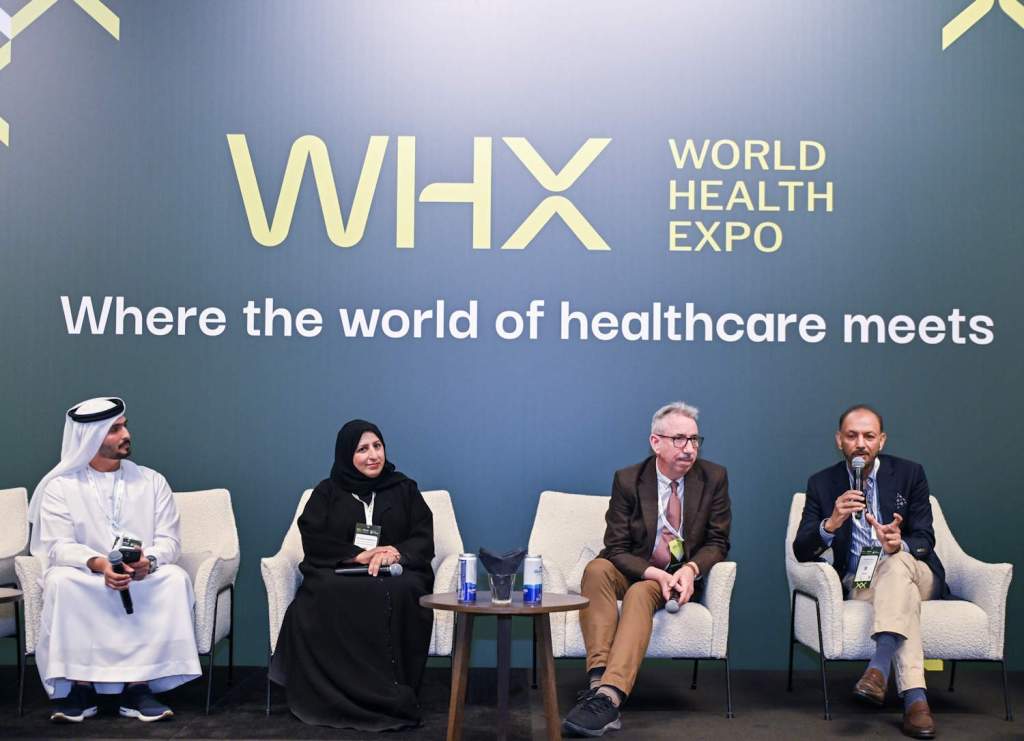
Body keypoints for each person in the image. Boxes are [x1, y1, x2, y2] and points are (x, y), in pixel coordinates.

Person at [562, 402, 732, 737]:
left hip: (677, 577)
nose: (689, 448)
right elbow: (615, 548)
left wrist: (691, 569)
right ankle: (598, 684)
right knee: (596, 569)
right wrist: (654, 572)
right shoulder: (629, 480)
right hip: (638, 569)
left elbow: (718, 541)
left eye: (695, 440)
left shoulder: (714, 477)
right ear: (656, 442)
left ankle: (610, 696)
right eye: (679, 439)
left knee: (641, 593)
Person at [27, 397, 200, 723]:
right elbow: (58, 546)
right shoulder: (60, 488)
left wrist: (148, 561)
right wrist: (99, 564)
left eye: (125, 426)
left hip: (140, 575)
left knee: (174, 579)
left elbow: (170, 541)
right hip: (86, 573)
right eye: (115, 429)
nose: (126, 434)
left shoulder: (152, 481)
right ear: (90, 437)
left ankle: (139, 686)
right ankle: (80, 686)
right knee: (62, 581)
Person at [269, 419, 435, 731]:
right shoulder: (327, 492)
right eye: (362, 449)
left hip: (395, 573)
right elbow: (313, 538)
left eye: (377, 446)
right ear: (346, 454)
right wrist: (357, 555)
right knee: (323, 592)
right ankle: (335, 696)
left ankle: (391, 694)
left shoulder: (405, 489)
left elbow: (423, 537)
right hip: (341, 571)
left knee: (404, 590)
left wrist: (395, 553)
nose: (373, 455)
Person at [793, 405, 947, 739]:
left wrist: (898, 543)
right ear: (839, 440)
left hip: (915, 572)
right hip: (862, 580)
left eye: (869, 436)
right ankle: (915, 700)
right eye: (852, 436)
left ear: (882, 440)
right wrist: (830, 524)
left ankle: (879, 668)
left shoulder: (910, 473)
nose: (860, 444)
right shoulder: (822, 483)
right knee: (899, 592)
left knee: (896, 563)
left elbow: (925, 538)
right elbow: (801, 550)